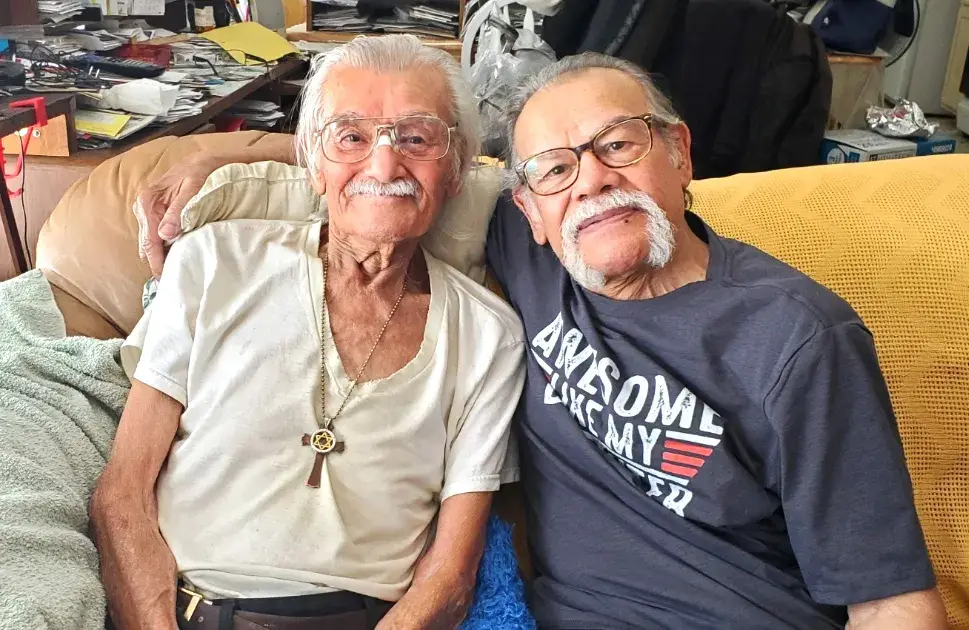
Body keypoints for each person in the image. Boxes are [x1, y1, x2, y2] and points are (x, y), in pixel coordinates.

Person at [134, 48, 947, 630]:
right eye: (555, 168)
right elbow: (386, 168)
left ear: (678, 152)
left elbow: (888, 598)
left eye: (618, 145)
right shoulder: (533, 246)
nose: (589, 179)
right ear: (525, 205)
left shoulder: (796, 337)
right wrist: (222, 146)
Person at [92, 35, 526, 630]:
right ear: (314, 165)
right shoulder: (213, 262)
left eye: (416, 138)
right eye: (351, 137)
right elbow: (122, 495)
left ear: (454, 171)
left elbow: (450, 577)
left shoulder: (488, 337)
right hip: (184, 609)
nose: (383, 164)